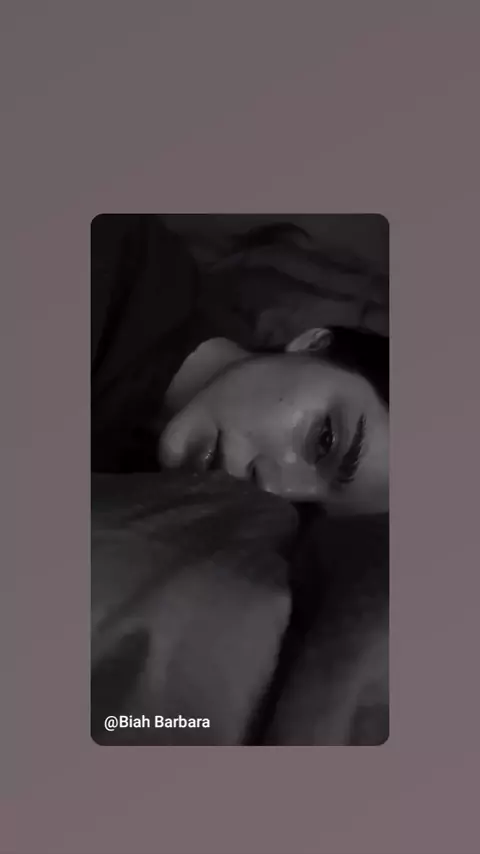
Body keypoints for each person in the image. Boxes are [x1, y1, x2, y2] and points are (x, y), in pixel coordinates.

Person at [92, 214, 389, 516]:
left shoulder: (134, 496)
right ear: (313, 345)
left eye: (304, 510)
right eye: (325, 441)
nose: (272, 489)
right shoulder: (110, 261)